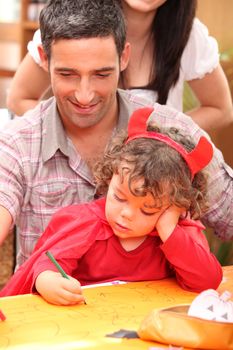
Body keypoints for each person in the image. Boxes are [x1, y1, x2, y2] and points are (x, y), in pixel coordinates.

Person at [0, 0, 232, 272]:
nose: (84, 95)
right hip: (51, 311)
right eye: (67, 74)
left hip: (150, 310)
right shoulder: (18, 142)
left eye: (101, 74)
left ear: (124, 57)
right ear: (44, 58)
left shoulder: (172, 129)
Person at [0, 107, 222, 305]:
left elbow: (206, 281)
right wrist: (48, 281)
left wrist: (168, 230)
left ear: (173, 208)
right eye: (119, 197)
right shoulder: (86, 224)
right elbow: (47, 263)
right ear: (110, 178)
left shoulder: (177, 234)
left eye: (147, 209)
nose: (126, 214)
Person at [6, 0, 233, 132]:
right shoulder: (72, 24)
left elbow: (220, 109)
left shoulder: (188, 35)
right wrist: (76, 132)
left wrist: (160, 133)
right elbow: (19, 98)